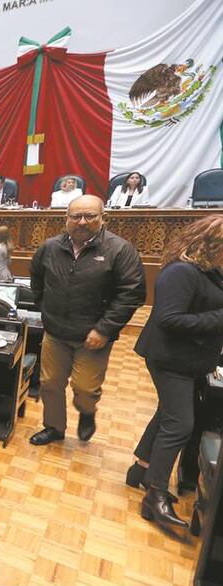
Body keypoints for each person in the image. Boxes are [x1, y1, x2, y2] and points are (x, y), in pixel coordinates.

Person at [129, 215, 223, 538]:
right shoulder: (181, 271)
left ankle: (139, 468)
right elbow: (170, 319)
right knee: (180, 423)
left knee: (167, 413)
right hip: (170, 359)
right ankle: (154, 495)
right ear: (212, 245)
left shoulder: (210, 272)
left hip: (189, 360)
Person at [28, 195, 146, 446]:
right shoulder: (49, 247)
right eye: (76, 216)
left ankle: (87, 412)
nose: (82, 222)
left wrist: (104, 329)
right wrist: (46, 310)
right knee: (50, 384)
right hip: (55, 332)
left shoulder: (119, 250)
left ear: (103, 218)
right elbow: (36, 281)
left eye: (90, 216)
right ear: (66, 219)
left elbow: (131, 294)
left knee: (84, 389)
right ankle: (54, 428)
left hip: (93, 336)